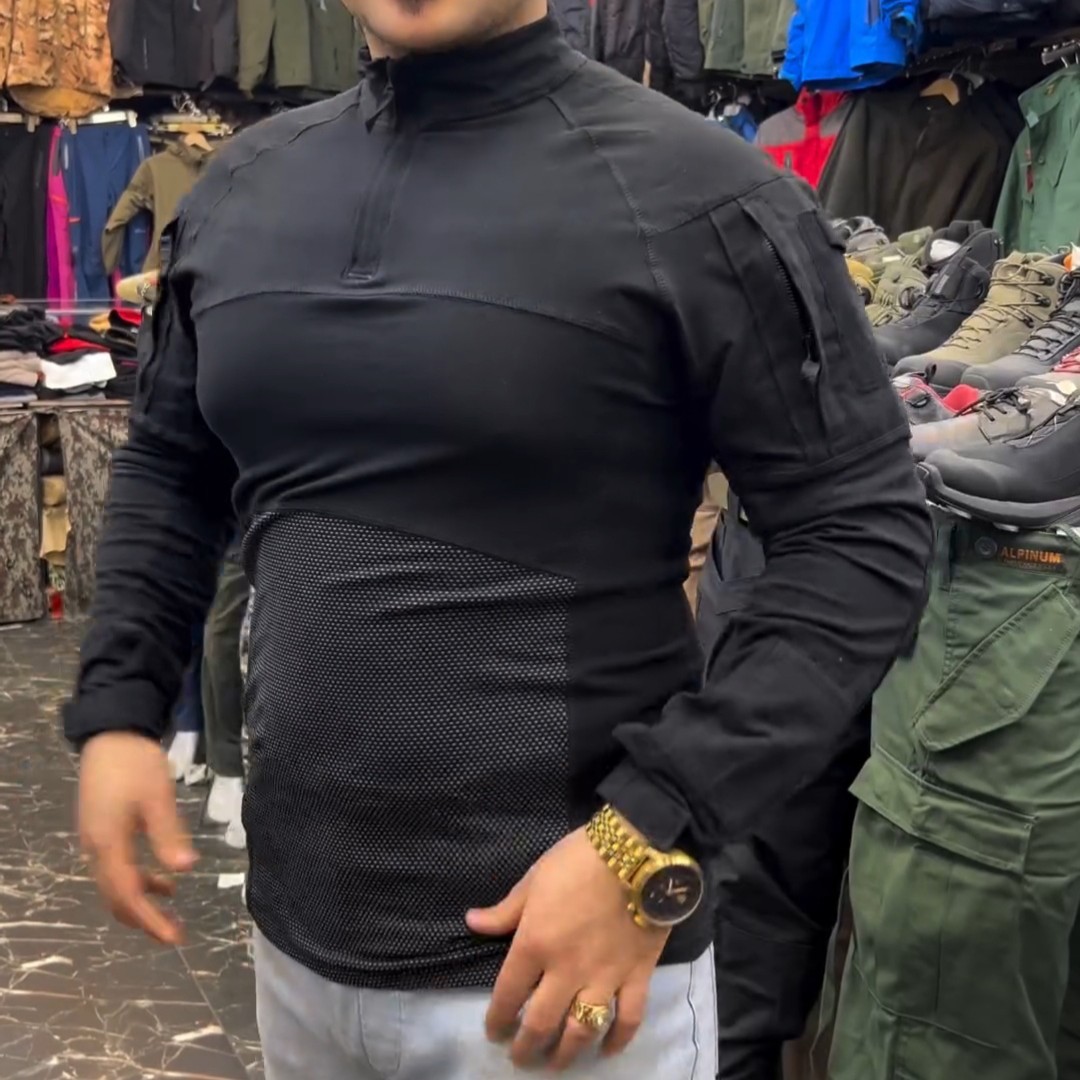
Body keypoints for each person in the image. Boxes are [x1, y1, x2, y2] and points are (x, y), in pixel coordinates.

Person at [64, 0, 932, 1075]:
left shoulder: (700, 193)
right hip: (300, 950)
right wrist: (121, 705)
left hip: (568, 982)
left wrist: (647, 834)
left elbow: (860, 535)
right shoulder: (244, 187)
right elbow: (172, 467)